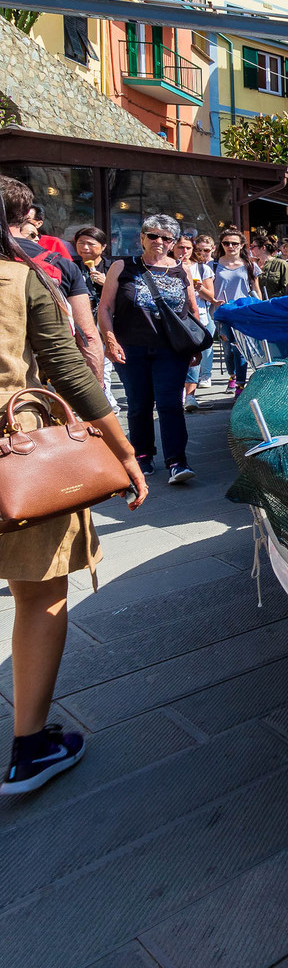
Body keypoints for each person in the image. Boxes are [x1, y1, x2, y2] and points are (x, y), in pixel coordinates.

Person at [1, 228, 147, 795]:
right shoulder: (20, 277)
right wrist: (125, 451)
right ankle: (30, 748)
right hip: (18, 457)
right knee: (38, 593)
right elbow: (66, 366)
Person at [97, 213, 204, 489]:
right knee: (139, 404)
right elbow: (106, 307)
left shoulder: (182, 270)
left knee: (170, 405)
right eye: (153, 235)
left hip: (171, 350)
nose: (159, 241)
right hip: (132, 347)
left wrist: (196, 346)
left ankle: (177, 461)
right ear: (142, 237)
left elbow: (192, 311)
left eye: (166, 238)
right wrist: (109, 339)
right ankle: (142, 455)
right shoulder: (122, 266)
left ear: (173, 242)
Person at [1, 181, 106, 384]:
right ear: (24, 217)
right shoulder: (59, 264)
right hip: (39, 372)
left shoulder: (56, 252)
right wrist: (97, 389)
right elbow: (87, 335)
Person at [210, 231, 259, 392]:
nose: (230, 246)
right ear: (221, 245)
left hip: (243, 312)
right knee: (228, 350)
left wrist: (260, 309)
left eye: (234, 243)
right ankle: (232, 375)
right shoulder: (213, 265)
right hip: (222, 313)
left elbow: (255, 289)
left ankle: (240, 384)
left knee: (240, 349)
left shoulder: (249, 265)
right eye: (226, 243)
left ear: (241, 245)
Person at [181, 233, 219, 407]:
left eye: (188, 248)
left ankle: (190, 395)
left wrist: (200, 288)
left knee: (195, 355)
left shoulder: (203, 269)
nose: (184, 251)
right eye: (181, 247)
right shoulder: (166, 266)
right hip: (173, 318)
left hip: (199, 318)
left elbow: (211, 296)